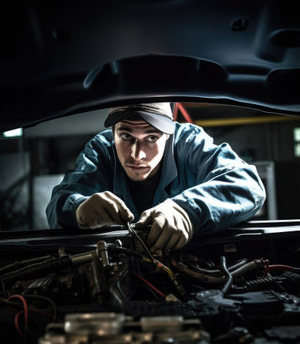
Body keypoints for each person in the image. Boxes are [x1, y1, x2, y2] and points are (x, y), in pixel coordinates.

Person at [46, 102, 266, 252]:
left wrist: (186, 210)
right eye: (125, 136)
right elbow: (60, 202)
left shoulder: (189, 142)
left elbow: (247, 183)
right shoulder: (102, 149)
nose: (137, 155)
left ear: (169, 134)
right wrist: (79, 210)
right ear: (113, 131)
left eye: (151, 136)